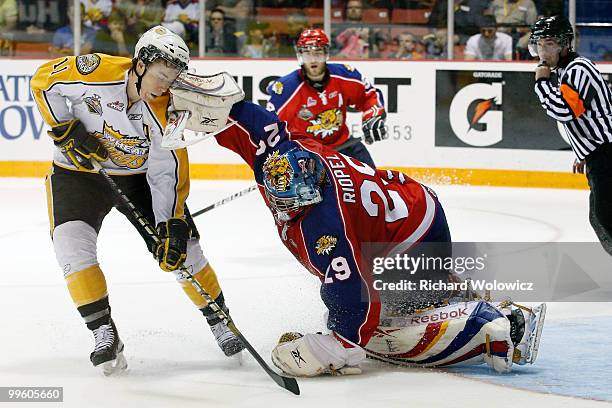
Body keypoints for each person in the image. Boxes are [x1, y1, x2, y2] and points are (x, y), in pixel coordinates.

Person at [169, 82, 546, 377]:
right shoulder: (284, 150)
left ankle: (491, 327)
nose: (283, 208)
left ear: (311, 194)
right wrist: (202, 102)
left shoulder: (326, 230)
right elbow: (245, 119)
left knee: (385, 327)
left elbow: (355, 301)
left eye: (292, 201)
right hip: (407, 203)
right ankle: (447, 288)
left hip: (415, 233)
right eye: (276, 195)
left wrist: (334, 344)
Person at [30, 26, 244, 375]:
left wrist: (170, 222)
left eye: (173, 78)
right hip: (79, 173)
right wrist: (65, 128)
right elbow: (43, 81)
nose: (165, 85)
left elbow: (167, 168)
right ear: (140, 64)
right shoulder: (94, 70)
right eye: (161, 75)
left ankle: (220, 321)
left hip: (140, 180)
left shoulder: (168, 108)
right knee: (70, 245)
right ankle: (103, 332)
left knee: (183, 249)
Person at [531, 16, 612, 256]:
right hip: (600, 153)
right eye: (539, 45)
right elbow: (587, 114)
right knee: (599, 216)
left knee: (606, 216)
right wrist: (583, 151)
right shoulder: (567, 70)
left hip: (607, 153)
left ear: (565, 44)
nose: (543, 52)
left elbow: (565, 111)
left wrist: (542, 83)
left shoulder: (578, 69)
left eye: (549, 44)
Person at [266, 28, 387, 169]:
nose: (313, 59)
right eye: (307, 54)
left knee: (374, 181)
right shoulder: (287, 88)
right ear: (300, 55)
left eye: (317, 53)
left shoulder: (345, 76)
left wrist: (373, 117)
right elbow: (270, 125)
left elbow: (369, 97)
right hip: (306, 154)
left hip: (344, 146)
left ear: (326, 54)